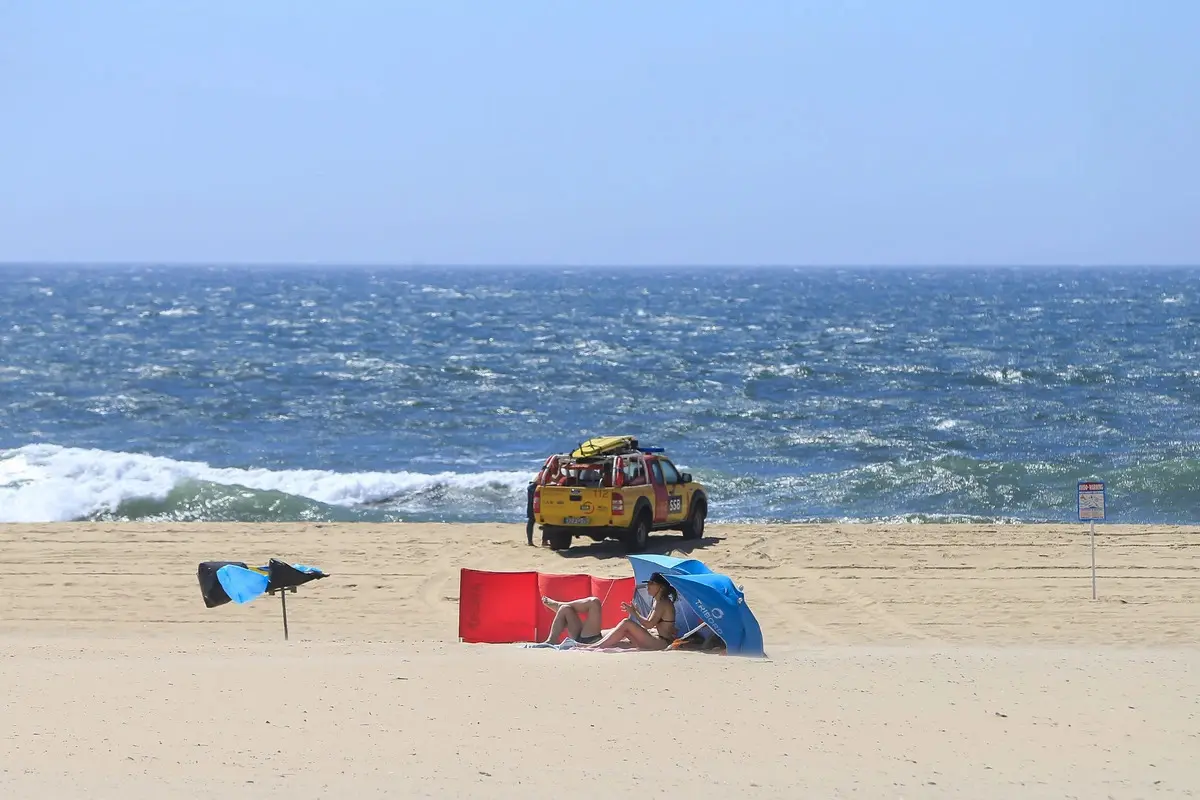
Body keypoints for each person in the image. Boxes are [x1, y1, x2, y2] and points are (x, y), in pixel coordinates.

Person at [579, 572, 678, 651]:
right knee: (622, 635)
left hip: (662, 643)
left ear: (661, 587)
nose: (648, 586)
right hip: (658, 639)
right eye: (648, 583)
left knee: (626, 623)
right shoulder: (658, 601)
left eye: (651, 584)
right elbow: (648, 624)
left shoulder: (662, 602)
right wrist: (635, 611)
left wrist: (634, 613)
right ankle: (594, 645)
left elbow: (648, 625)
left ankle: (593, 647)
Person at [524, 596, 607, 647]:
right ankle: (551, 641)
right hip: (584, 638)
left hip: (591, 640)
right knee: (565, 609)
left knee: (594, 602)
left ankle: (560, 605)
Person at [525, 479, 537, 546]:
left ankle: (545, 540)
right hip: (533, 488)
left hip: (534, 488)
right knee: (532, 517)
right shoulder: (548, 470)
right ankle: (530, 541)